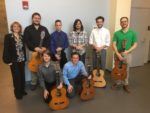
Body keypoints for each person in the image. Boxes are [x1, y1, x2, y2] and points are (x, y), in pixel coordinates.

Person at [24, 12, 50, 90]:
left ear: (40, 19)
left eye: (38, 18)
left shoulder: (44, 28)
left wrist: (45, 48)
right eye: (35, 18)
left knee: (44, 67)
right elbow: (26, 40)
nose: (37, 19)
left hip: (43, 52)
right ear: (32, 19)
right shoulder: (28, 29)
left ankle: (44, 82)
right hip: (33, 52)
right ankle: (33, 82)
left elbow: (48, 39)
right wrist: (34, 48)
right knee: (34, 68)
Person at [112, 17, 138, 93]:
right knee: (117, 69)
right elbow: (114, 44)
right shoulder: (117, 33)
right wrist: (118, 54)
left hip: (127, 54)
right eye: (122, 22)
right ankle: (117, 82)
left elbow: (135, 44)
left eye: (125, 21)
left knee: (126, 70)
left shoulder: (132, 33)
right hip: (118, 53)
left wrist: (127, 51)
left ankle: (125, 84)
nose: (123, 23)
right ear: (120, 23)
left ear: (127, 22)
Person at [3, 21, 27, 99]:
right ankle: (18, 93)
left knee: (22, 76)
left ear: (20, 28)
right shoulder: (8, 36)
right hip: (13, 60)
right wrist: (7, 60)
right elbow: (6, 49)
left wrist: (25, 58)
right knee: (16, 77)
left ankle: (22, 90)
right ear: (12, 28)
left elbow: (23, 49)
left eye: (18, 26)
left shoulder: (22, 36)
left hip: (22, 59)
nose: (16, 28)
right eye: (14, 26)